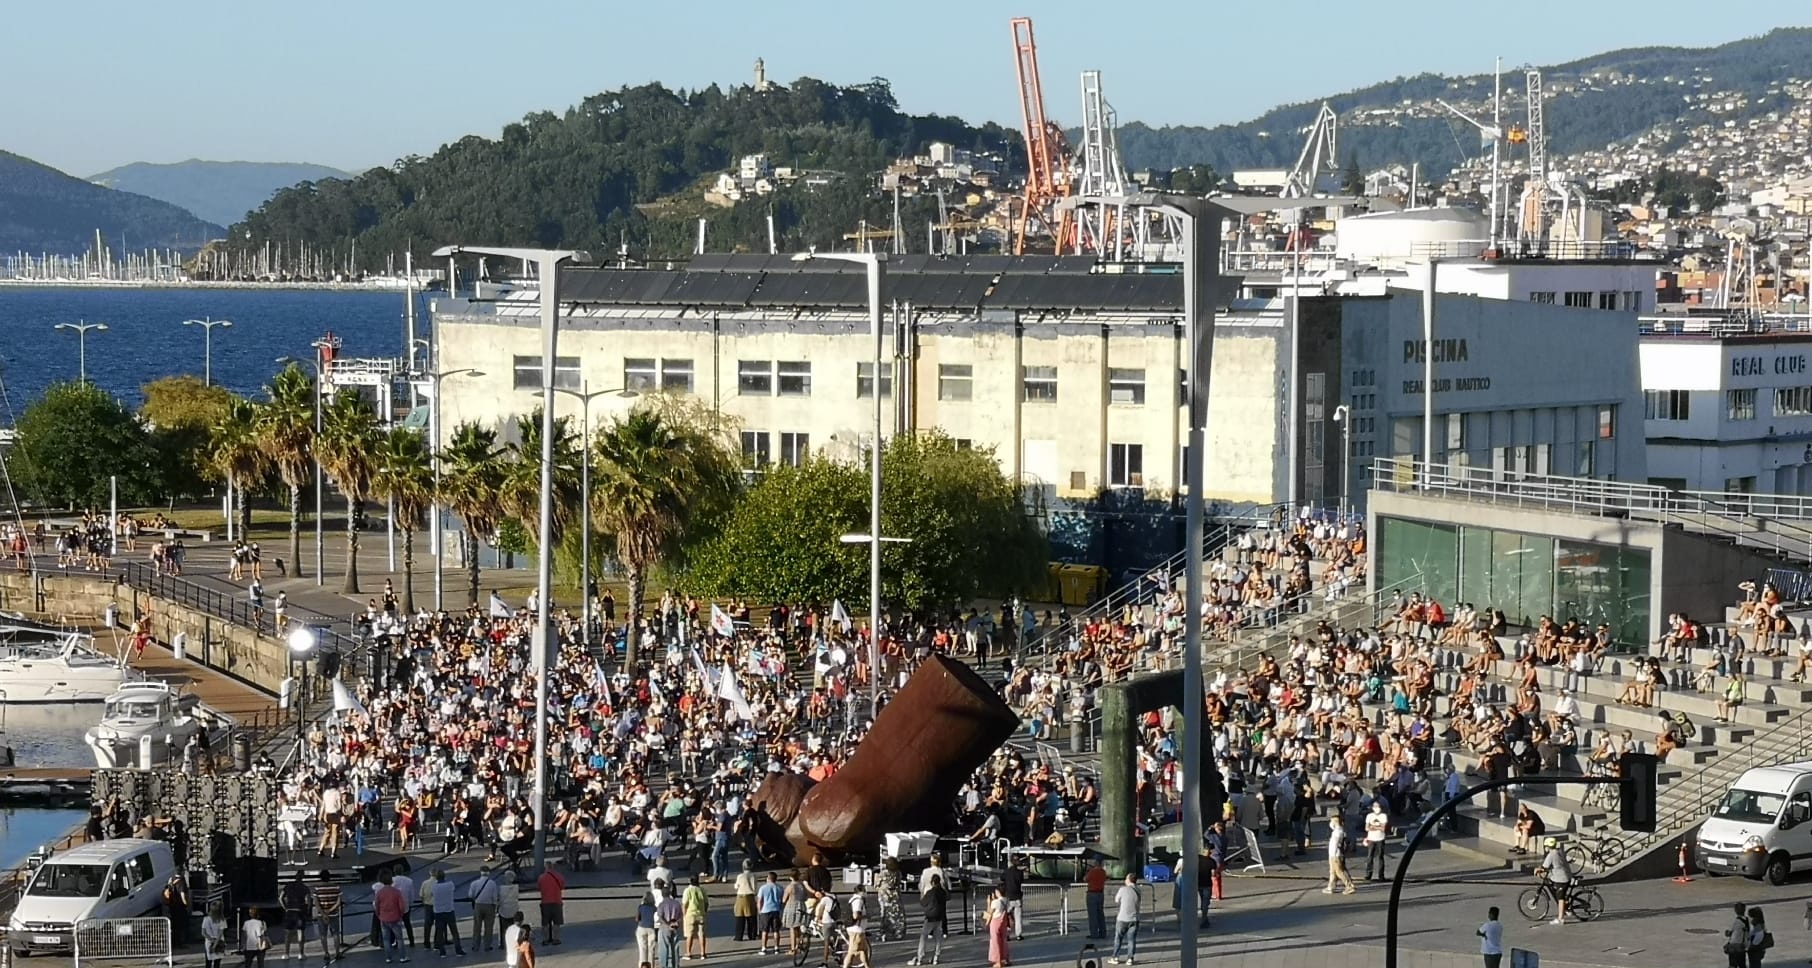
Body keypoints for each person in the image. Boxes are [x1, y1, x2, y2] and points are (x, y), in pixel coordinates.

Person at [909, 864, 947, 967]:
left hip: (930, 917)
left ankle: (920, 957)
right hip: (939, 917)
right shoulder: (943, 892)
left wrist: (922, 894)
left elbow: (923, 902)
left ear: (932, 882)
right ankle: (936, 957)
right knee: (938, 938)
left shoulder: (930, 892)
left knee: (923, 936)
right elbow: (947, 897)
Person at [1537, 838, 1574, 925]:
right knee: (1557, 890)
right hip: (1566, 875)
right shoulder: (1560, 851)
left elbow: (1544, 867)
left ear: (1547, 846)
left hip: (1562, 879)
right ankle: (1566, 908)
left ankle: (1561, 919)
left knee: (1560, 897)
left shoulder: (1551, 855)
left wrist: (1537, 870)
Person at [375, 875, 409, 963]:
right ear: (391, 881)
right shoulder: (397, 892)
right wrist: (400, 915)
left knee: (386, 939)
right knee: (399, 939)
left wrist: (379, 915)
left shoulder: (379, 892)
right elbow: (402, 906)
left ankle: (388, 958)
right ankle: (402, 957)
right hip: (395, 918)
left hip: (384, 918)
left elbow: (377, 906)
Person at [1109, 873, 1140, 965]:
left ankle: (1115, 957)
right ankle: (1130, 958)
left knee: (1118, 938)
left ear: (1129, 880)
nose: (1125, 880)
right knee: (1131, 940)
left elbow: (1117, 900)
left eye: (1126, 878)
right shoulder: (1138, 890)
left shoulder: (1123, 889)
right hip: (1134, 919)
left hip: (1122, 918)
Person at [470, 866, 501, 953]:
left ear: (480, 872)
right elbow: (495, 897)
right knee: (489, 927)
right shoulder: (492, 883)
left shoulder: (474, 883)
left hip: (478, 906)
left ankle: (475, 946)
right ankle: (487, 946)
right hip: (489, 906)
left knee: (477, 927)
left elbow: (470, 895)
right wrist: (495, 907)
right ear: (488, 873)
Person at [1323, 814, 1356, 895]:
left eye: (1331, 821)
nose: (1330, 823)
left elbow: (1335, 844)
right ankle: (1331, 886)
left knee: (1339, 871)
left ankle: (1349, 886)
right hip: (1332, 854)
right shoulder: (1337, 831)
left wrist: (1334, 856)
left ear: (1335, 822)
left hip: (1335, 855)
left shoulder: (1338, 832)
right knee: (1333, 871)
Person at [682, 873, 711, 961]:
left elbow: (685, 904)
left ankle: (689, 953)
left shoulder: (688, 890)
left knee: (689, 935)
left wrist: (684, 915)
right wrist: (704, 911)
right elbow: (706, 902)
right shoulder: (702, 890)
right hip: (700, 914)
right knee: (701, 934)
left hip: (690, 914)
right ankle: (703, 953)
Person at [537, 864, 565, 946]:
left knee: (545, 923)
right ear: (553, 867)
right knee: (557, 923)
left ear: (545, 868)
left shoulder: (541, 877)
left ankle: (545, 940)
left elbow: (539, 887)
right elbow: (562, 886)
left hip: (545, 902)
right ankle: (556, 939)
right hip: (557, 902)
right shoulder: (559, 876)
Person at [758, 872, 785, 955]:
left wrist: (760, 910)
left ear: (768, 878)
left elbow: (760, 901)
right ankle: (776, 947)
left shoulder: (763, 888)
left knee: (765, 930)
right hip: (776, 910)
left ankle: (764, 948)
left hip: (765, 911)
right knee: (776, 930)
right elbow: (782, 900)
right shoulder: (780, 888)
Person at [1363, 799, 1390, 881]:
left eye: (1377, 806)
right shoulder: (1369, 816)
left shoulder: (1383, 816)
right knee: (1369, 857)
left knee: (1380, 857)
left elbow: (1383, 828)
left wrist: (1373, 827)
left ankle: (1381, 875)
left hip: (1380, 838)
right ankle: (1368, 874)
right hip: (1371, 838)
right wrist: (1378, 827)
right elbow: (1367, 828)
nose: (1376, 808)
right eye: (1374, 806)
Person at [162, 871, 191, 947]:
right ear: (182, 872)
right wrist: (186, 904)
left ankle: (173, 943)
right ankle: (181, 943)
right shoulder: (181, 881)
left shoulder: (171, 879)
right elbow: (182, 894)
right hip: (180, 906)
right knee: (181, 925)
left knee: (174, 925)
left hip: (171, 906)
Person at [985, 886, 1012, 968]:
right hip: (1003, 922)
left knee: (995, 942)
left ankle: (998, 961)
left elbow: (990, 913)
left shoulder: (995, 902)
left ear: (998, 892)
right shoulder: (1007, 900)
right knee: (1004, 941)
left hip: (995, 922)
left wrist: (989, 902)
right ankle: (1006, 959)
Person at [733, 859, 759, 942]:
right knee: (751, 917)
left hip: (740, 897)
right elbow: (754, 888)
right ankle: (752, 935)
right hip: (750, 897)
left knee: (740, 917)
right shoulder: (753, 876)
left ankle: (738, 936)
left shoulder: (740, 876)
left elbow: (736, 887)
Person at [1083, 857, 1109, 940]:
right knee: (1100, 914)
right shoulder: (1103, 872)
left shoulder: (1092, 871)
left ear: (1096, 863)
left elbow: (1085, 879)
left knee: (1093, 915)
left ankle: (1094, 933)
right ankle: (1103, 932)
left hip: (1092, 893)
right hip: (1100, 894)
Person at [634, 893, 660, 967]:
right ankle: (651, 966)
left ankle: (642, 966)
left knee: (642, 949)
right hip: (651, 928)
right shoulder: (654, 908)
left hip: (641, 928)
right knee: (651, 950)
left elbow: (637, 919)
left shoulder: (641, 907)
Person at [202, 901, 229, 968]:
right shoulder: (222, 920)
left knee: (208, 962)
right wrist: (215, 944)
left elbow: (203, 933)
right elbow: (220, 934)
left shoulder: (206, 919)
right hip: (220, 942)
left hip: (209, 942)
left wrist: (211, 940)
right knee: (217, 963)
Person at [1724, 903, 1750, 968]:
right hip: (1742, 946)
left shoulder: (1736, 921)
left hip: (1734, 946)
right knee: (1742, 964)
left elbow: (1729, 933)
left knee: (1732, 965)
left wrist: (1727, 933)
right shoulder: (1746, 920)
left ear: (1735, 910)